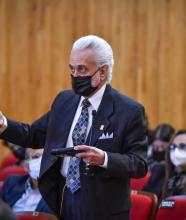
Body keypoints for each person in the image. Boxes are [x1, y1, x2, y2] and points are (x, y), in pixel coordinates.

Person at [0, 35, 148, 220]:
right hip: (64, 198)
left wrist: (103, 158)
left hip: (103, 207)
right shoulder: (64, 101)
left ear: (102, 72)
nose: (75, 75)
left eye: (82, 69)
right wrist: (4, 124)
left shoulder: (129, 110)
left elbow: (139, 164)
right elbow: (34, 135)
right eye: (72, 69)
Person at [0, 148, 52, 213]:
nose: (41, 161)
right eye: (36, 156)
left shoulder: (59, 192)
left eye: (46, 157)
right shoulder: (12, 182)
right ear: (26, 165)